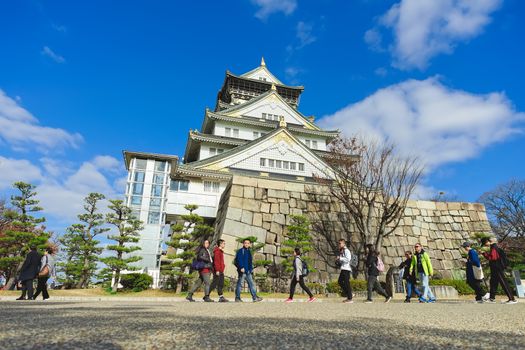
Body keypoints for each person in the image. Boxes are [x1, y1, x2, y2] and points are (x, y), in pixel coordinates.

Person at [481, 237, 517, 304]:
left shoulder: (494, 247)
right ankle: (492, 298)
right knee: (493, 283)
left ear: (487, 242)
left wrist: (484, 253)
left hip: (497, 268)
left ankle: (512, 299)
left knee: (503, 283)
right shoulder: (494, 247)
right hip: (495, 268)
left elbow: (492, 258)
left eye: (485, 244)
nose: (485, 245)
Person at [336, 239, 353, 303]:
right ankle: (349, 294)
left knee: (347, 283)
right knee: (340, 281)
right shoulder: (342, 251)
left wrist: (340, 258)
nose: (339, 245)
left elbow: (348, 259)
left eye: (340, 243)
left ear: (344, 244)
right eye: (339, 243)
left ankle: (350, 297)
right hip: (343, 268)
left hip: (346, 269)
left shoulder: (346, 250)